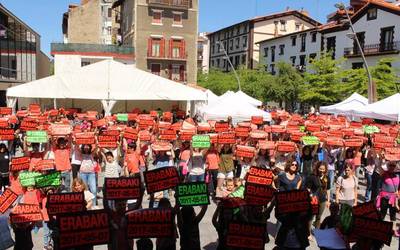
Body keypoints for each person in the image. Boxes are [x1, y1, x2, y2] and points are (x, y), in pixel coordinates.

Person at [306, 161, 330, 229]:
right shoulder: (312, 177)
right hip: (314, 199)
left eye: (323, 169)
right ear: (317, 168)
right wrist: (310, 196)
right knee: (311, 217)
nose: (322, 171)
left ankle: (317, 231)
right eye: (320, 169)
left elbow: (328, 189)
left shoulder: (327, 178)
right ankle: (308, 233)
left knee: (319, 217)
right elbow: (308, 188)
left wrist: (328, 200)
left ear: (325, 169)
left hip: (322, 200)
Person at [376, 161, 399, 231]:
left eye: (393, 166)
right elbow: (378, 165)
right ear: (388, 166)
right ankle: (379, 227)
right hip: (385, 197)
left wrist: (397, 194)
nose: (392, 167)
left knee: (393, 214)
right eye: (390, 165)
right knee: (383, 213)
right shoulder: (384, 173)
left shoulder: (397, 176)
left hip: (393, 198)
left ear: (395, 167)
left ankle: (393, 229)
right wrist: (380, 158)